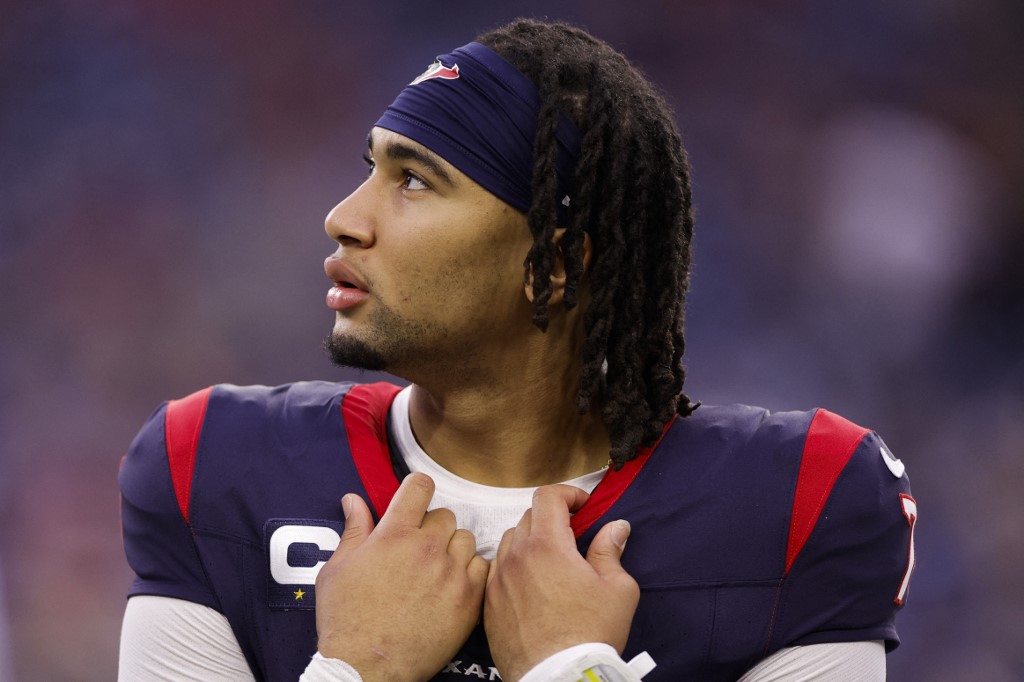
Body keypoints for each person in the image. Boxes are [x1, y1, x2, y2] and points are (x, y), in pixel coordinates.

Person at [117, 18, 917, 682]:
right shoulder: (213, 468)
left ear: (555, 265)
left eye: (416, 181)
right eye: (372, 169)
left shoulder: (796, 502)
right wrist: (358, 671)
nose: (344, 217)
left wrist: (573, 670)